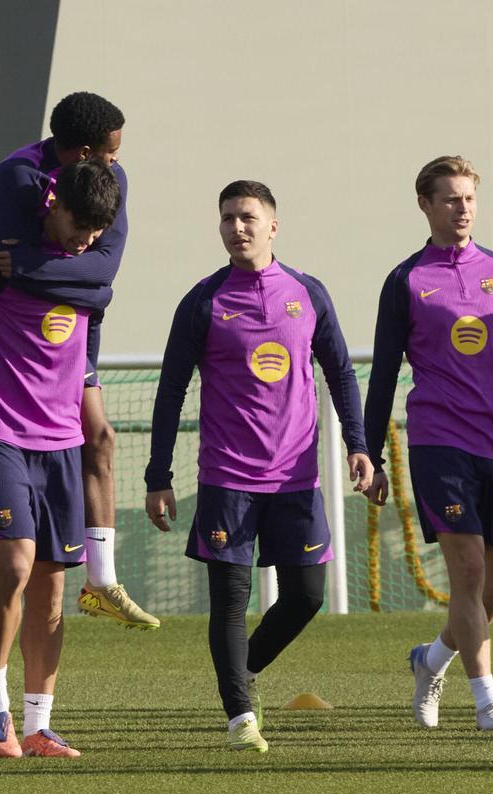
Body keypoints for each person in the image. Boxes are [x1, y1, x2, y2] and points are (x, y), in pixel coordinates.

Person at [0, 91, 158, 631]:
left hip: (59, 324)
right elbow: (13, 263)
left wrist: (88, 293)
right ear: (81, 153)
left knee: (100, 434)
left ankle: (103, 579)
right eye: (108, 153)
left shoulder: (109, 184)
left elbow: (96, 274)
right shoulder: (18, 176)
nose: (117, 163)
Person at [145, 181, 373, 753]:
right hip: (227, 478)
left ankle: (239, 676)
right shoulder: (203, 300)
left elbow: (342, 373)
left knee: (307, 596)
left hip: (297, 477)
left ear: (273, 226)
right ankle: (241, 715)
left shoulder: (307, 292)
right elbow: (171, 390)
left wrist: (359, 443)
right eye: (227, 219)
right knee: (230, 600)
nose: (237, 227)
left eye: (248, 217)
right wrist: (159, 475)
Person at [0, 160, 121, 757]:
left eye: (95, 234)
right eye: (77, 226)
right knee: (15, 566)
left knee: (53, 592)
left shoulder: (90, 280)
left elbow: (89, 345)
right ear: (51, 205)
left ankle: (38, 723)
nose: (84, 241)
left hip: (63, 445)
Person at [362, 156, 493, 732]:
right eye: (450, 199)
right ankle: (487, 700)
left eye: (469, 199)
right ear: (425, 205)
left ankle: (431, 660)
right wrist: (368, 452)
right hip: (438, 443)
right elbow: (382, 375)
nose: (462, 209)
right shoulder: (405, 280)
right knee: (471, 575)